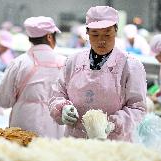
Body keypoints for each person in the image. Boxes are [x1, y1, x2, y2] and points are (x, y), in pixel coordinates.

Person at [49, 6, 147, 141]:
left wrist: (114, 124)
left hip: (113, 144)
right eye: (95, 34)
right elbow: (57, 95)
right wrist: (62, 109)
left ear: (116, 31)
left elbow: (137, 108)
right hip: (75, 142)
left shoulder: (130, 66)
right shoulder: (73, 61)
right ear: (87, 33)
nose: (101, 40)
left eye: (107, 34)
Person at [0, 16, 66, 138]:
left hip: (23, 129)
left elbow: (3, 101)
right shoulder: (65, 63)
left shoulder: (19, 63)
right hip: (55, 130)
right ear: (49, 36)